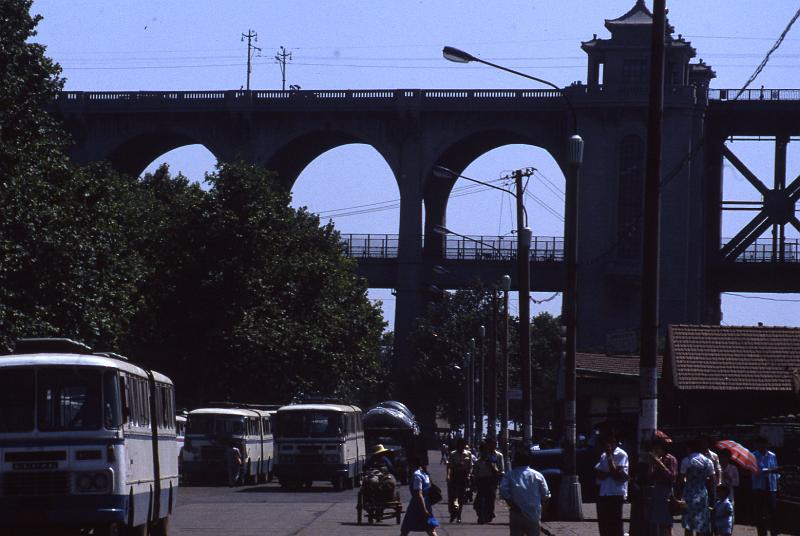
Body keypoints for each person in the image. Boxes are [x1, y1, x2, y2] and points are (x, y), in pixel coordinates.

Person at [500, 444, 550, 536]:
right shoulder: (538, 475)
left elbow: (503, 491)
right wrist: (544, 512)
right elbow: (546, 495)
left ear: (516, 460)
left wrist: (511, 504)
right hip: (533, 513)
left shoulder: (510, 475)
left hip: (516, 513)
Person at [679, 439, 715, 536]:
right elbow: (712, 481)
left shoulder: (686, 461)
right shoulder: (709, 462)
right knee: (701, 522)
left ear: (689, 449)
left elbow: (681, 480)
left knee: (688, 523)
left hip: (689, 493)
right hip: (702, 493)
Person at [595, 434, 629, 536]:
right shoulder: (603, 455)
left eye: (611, 441)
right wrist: (609, 473)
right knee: (604, 524)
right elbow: (598, 473)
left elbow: (616, 474)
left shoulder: (621, 454)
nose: (608, 444)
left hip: (615, 493)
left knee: (615, 524)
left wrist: (610, 457)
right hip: (604, 492)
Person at [645, 437, 678, 536]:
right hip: (657, 490)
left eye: (656, 448)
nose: (655, 451)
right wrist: (651, 465)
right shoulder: (658, 459)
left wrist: (659, 463)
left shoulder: (670, 459)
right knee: (658, 523)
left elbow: (672, 476)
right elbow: (650, 477)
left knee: (666, 523)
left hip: (666, 491)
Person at [400, 457, 439, 536]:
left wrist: (423, 509)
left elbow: (419, 493)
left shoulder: (417, 476)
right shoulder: (424, 474)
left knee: (406, 528)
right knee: (430, 528)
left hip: (417, 504)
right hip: (426, 502)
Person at [751, 436, 780, 536]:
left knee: (773, 512)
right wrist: (771, 470)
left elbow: (776, 472)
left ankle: (774, 533)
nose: (761, 446)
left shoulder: (772, 455)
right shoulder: (753, 456)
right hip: (759, 488)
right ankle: (762, 533)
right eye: (758, 444)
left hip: (771, 487)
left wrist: (777, 485)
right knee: (760, 513)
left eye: (763, 444)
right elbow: (757, 471)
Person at [472, 440, 502, 524]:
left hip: (490, 481)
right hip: (481, 481)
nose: (484, 452)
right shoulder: (478, 462)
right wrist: (474, 483)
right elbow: (475, 473)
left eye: (486, 450)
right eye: (483, 450)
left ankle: (488, 515)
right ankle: (481, 516)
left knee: (490, 499)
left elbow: (497, 471)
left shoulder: (492, 460)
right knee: (478, 501)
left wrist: (491, 465)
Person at [446, 438, 472, 523]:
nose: (461, 447)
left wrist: (469, 475)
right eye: (459, 445)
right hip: (454, 476)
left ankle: (459, 516)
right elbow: (449, 466)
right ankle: (453, 513)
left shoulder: (468, 454)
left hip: (463, 477)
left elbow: (470, 467)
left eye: (462, 445)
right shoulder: (453, 454)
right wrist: (448, 476)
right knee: (453, 496)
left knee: (461, 497)